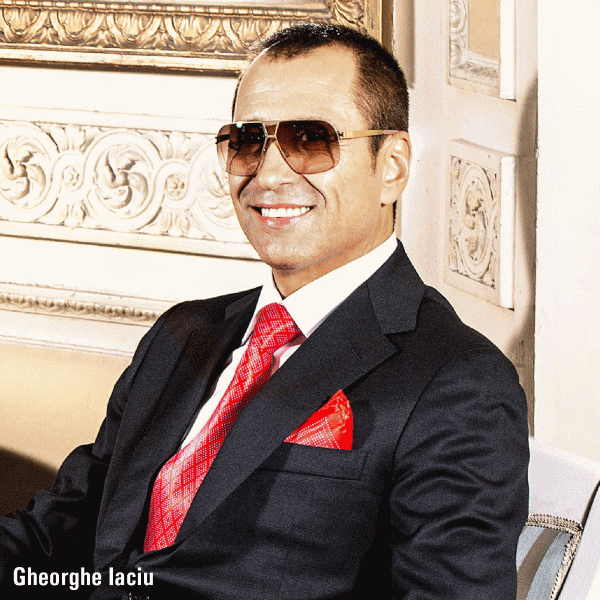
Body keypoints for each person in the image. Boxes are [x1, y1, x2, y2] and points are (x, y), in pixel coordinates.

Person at [0, 23, 529, 600]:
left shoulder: (458, 383)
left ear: (392, 167)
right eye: (249, 141)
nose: (270, 174)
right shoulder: (182, 334)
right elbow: (57, 540)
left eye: (311, 139)